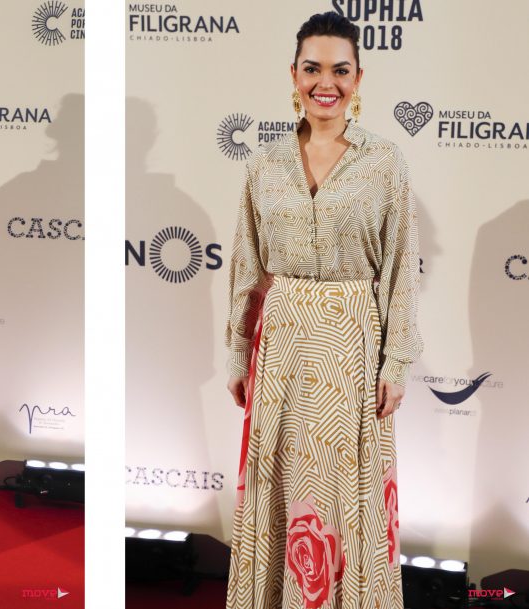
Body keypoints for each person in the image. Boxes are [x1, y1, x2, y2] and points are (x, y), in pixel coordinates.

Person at [224, 12, 423, 609]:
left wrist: (396, 363)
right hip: (282, 343)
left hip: (351, 344)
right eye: (312, 69)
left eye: (340, 70)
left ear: (358, 78)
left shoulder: (385, 162)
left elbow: (401, 268)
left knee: (341, 487)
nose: (325, 83)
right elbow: (247, 269)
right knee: (280, 481)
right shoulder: (264, 164)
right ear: (294, 74)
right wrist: (237, 353)